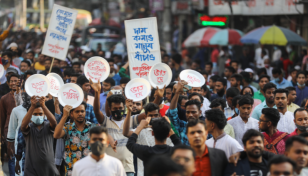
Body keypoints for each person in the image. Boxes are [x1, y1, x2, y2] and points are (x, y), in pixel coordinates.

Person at [123, 101, 175, 176]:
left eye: (156, 115)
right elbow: (126, 133)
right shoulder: (141, 130)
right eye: (151, 116)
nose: (153, 118)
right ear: (145, 117)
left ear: (160, 115)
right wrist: (129, 112)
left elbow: (176, 146)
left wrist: (168, 127)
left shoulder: (165, 130)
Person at [53, 102, 102, 176]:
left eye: (82, 111)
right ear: (71, 113)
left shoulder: (93, 127)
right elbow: (56, 135)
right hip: (72, 171)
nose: (80, 114)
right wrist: (64, 116)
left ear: (85, 112)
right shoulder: (67, 127)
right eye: (77, 111)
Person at [20, 96, 59, 176]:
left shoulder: (48, 126)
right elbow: (23, 126)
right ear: (31, 116)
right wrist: (32, 106)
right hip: (31, 170)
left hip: (49, 169)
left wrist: (44, 106)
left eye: (40, 114)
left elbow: (54, 123)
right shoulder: (29, 128)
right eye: (35, 114)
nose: (38, 116)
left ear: (44, 115)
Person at [168, 81, 210, 145]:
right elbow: (172, 112)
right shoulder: (182, 126)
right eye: (188, 112)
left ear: (200, 112)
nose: (190, 115)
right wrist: (177, 93)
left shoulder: (207, 128)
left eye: (193, 112)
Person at [6, 92, 30, 175]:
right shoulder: (16, 110)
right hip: (20, 149)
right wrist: (10, 146)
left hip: (35, 148)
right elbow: (12, 129)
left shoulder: (41, 111)